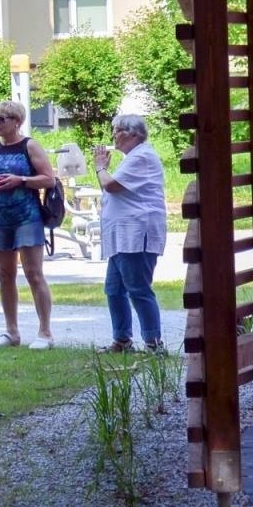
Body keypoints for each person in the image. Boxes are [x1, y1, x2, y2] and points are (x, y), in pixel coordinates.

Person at [0, 100, 57, 350]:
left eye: (2, 119)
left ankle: (45, 333)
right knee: (4, 275)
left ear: (17, 122)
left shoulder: (29, 145)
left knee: (34, 273)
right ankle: (11, 331)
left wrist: (20, 180)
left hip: (27, 217)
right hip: (0, 219)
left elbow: (49, 179)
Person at [93, 113, 168, 353]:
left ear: (133, 134)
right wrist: (103, 170)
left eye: (117, 130)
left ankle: (154, 343)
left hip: (136, 234)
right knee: (114, 290)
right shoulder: (132, 157)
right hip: (122, 236)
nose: (113, 135)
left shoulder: (142, 156)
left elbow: (110, 185)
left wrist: (100, 167)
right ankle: (122, 340)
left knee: (138, 288)